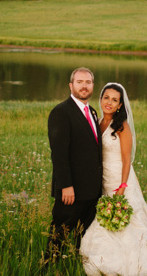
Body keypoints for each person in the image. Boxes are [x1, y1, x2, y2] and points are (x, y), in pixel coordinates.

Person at [80, 82, 147, 276]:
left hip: (120, 179)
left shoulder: (122, 127)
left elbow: (127, 160)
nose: (109, 102)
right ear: (100, 98)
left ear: (120, 104)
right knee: (104, 215)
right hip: (103, 179)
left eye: (114, 100)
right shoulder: (98, 121)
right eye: (106, 98)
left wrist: (122, 187)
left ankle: (132, 258)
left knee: (127, 219)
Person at [44, 67, 103, 262]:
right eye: (80, 82)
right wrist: (66, 186)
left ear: (93, 85)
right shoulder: (61, 112)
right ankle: (49, 266)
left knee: (83, 235)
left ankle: (78, 266)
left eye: (88, 82)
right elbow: (59, 154)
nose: (84, 86)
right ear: (71, 85)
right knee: (59, 232)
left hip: (91, 190)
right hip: (71, 191)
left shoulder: (92, 112)